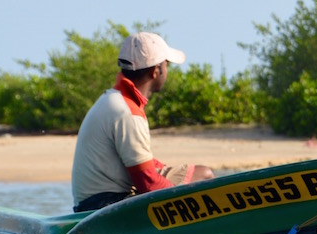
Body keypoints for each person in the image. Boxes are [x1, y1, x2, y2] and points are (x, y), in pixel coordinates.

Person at [70, 31, 215, 213]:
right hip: (103, 206)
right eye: (166, 65)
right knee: (203, 180)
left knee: (202, 174)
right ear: (156, 71)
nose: (167, 71)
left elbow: (138, 162)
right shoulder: (127, 112)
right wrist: (181, 202)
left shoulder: (113, 99)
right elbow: (148, 184)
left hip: (95, 200)